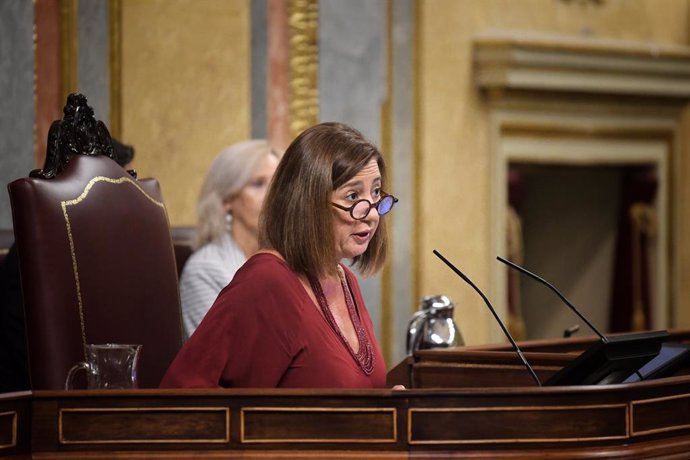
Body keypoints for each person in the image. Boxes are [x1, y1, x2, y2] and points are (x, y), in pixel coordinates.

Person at [160, 122, 398, 388]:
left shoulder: (346, 280)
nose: (373, 214)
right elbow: (185, 393)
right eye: (353, 196)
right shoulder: (267, 281)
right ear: (309, 203)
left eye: (376, 192)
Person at [180, 140, 280, 339]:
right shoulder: (205, 269)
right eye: (258, 184)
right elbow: (224, 361)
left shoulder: (292, 261)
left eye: (277, 184)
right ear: (226, 199)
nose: (273, 195)